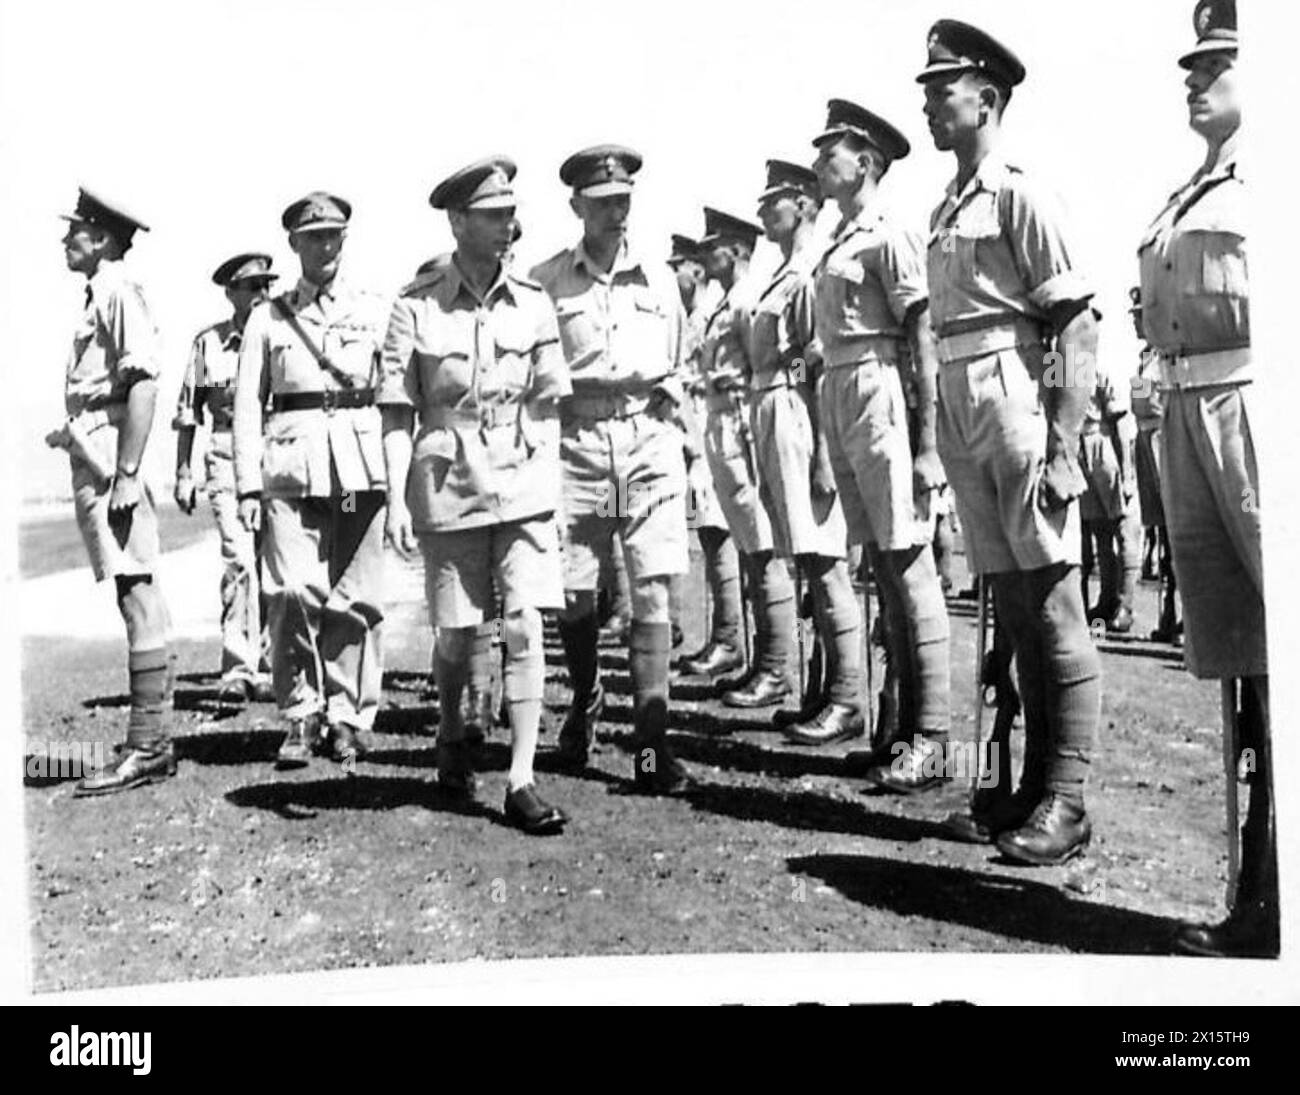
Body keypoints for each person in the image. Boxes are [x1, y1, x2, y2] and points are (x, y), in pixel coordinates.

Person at [918, 21, 1102, 860]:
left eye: (940, 87)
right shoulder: (946, 204)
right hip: (965, 406)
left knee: (1057, 599)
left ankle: (1068, 796)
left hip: (1017, 401)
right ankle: (1027, 787)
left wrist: (1066, 445)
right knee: (1017, 608)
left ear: (985, 97)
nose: (927, 100)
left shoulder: (1022, 194)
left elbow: (1077, 322)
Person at [1138, 1, 1275, 957]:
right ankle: (1261, 895)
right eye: (1191, 62)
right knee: (1248, 664)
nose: (1194, 76)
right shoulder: (1193, 187)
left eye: (1217, 60)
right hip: (1190, 407)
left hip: (1262, 397)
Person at [380, 157, 570, 833]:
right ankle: (453, 727)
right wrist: (398, 499)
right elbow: (397, 415)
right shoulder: (415, 305)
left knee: (523, 624)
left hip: (521, 481)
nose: (507, 227)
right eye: (491, 217)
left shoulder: (535, 301)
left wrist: (551, 490)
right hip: (446, 479)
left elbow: (548, 405)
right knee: (458, 634)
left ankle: (521, 776)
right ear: (457, 221)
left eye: (511, 215)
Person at [532, 145, 695, 794]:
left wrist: (671, 406)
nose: (615, 214)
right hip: (577, 447)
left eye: (624, 202)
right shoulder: (547, 280)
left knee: (652, 588)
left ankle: (652, 748)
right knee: (576, 592)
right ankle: (586, 695)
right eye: (602, 205)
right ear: (577, 207)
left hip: (646, 446)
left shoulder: (659, 280)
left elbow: (683, 358)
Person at [805, 99, 951, 791]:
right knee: (884, 571)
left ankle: (936, 737)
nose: (816, 162)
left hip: (881, 388)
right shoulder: (838, 238)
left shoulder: (890, 234)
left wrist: (926, 443)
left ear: (864, 161)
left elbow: (922, 336)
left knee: (911, 567)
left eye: (828, 150)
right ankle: (896, 727)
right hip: (843, 387)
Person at [233, 191, 389, 771]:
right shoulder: (267, 318)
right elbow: (249, 407)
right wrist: (248, 487)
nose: (326, 246)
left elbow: (392, 394)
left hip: (358, 473)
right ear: (294, 244)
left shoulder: (375, 309)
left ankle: (348, 717)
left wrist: (397, 478)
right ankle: (300, 710)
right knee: (291, 592)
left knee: (355, 598)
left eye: (335, 235)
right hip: (292, 476)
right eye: (314, 236)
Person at [50, 188, 176, 796]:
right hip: (94, 445)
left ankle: (148, 744)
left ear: (101, 238)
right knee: (132, 589)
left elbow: (145, 382)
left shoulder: (120, 289)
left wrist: (125, 473)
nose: (65, 239)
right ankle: (149, 739)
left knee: (137, 590)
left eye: (75, 230)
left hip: (110, 455)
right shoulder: (101, 291)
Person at [748, 159, 856, 730]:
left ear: (804, 205)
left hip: (800, 410)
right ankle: (824, 689)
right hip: (779, 407)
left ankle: (848, 697)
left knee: (826, 560)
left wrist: (822, 453)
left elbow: (811, 360)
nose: (763, 211)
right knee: (809, 561)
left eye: (774, 201)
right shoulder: (784, 268)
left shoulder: (810, 267)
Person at [696, 208, 796, 710]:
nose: (703, 256)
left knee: (762, 547)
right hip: (722, 423)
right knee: (747, 544)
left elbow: (772, 362)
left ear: (735, 250)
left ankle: (776, 666)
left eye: (711, 246)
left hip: (742, 423)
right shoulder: (728, 300)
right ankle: (761, 660)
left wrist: (720, 383)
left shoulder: (748, 297)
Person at [174, 253, 277, 703]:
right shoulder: (207, 345)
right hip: (223, 457)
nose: (261, 294)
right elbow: (186, 411)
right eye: (251, 286)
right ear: (230, 292)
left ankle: (276, 662)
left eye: (266, 285)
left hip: (277, 456)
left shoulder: (283, 336)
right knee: (240, 560)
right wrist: (183, 471)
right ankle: (238, 666)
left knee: (278, 563)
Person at [671, 235, 745, 679]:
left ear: (696, 271)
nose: (672, 276)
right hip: (697, 431)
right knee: (708, 534)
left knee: (718, 536)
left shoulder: (708, 317)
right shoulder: (699, 316)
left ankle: (729, 638)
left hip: (712, 428)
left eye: (678, 266)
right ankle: (721, 636)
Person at [1128, 288, 1182, 642]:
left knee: (1177, 534)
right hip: (1146, 441)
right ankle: (1168, 615)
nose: (1133, 319)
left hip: (1165, 438)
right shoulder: (1144, 355)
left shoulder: (1168, 352)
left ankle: (1187, 620)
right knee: (1161, 533)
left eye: (1138, 312)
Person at [1077, 350, 1139, 633]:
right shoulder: (1059, 364)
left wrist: (1126, 473)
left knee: (1123, 529)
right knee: (1098, 531)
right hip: (1077, 447)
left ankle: (1125, 606)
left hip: (1104, 447)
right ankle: (1105, 601)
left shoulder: (1100, 366)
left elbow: (1120, 424)